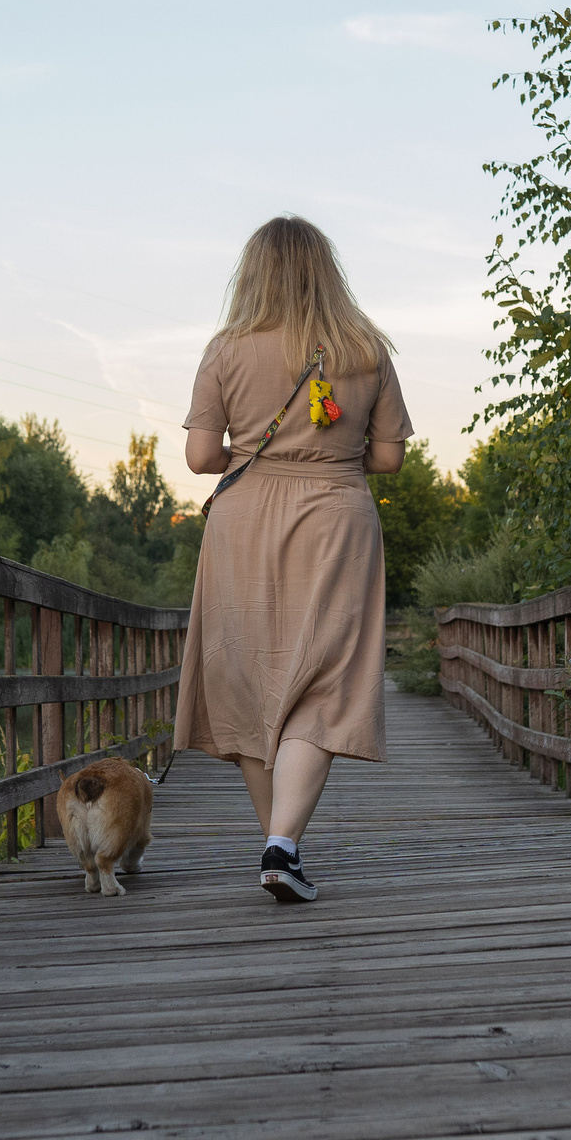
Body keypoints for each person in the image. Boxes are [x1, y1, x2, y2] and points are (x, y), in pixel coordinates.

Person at [175, 215, 411, 903]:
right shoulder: (365, 349)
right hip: (337, 515)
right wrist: (333, 453)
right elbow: (391, 457)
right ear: (326, 271)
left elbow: (198, 457)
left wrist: (250, 455)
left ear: (252, 272)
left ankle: (281, 842)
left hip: (244, 520)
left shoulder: (226, 347)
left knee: (247, 679)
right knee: (327, 680)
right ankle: (283, 844)